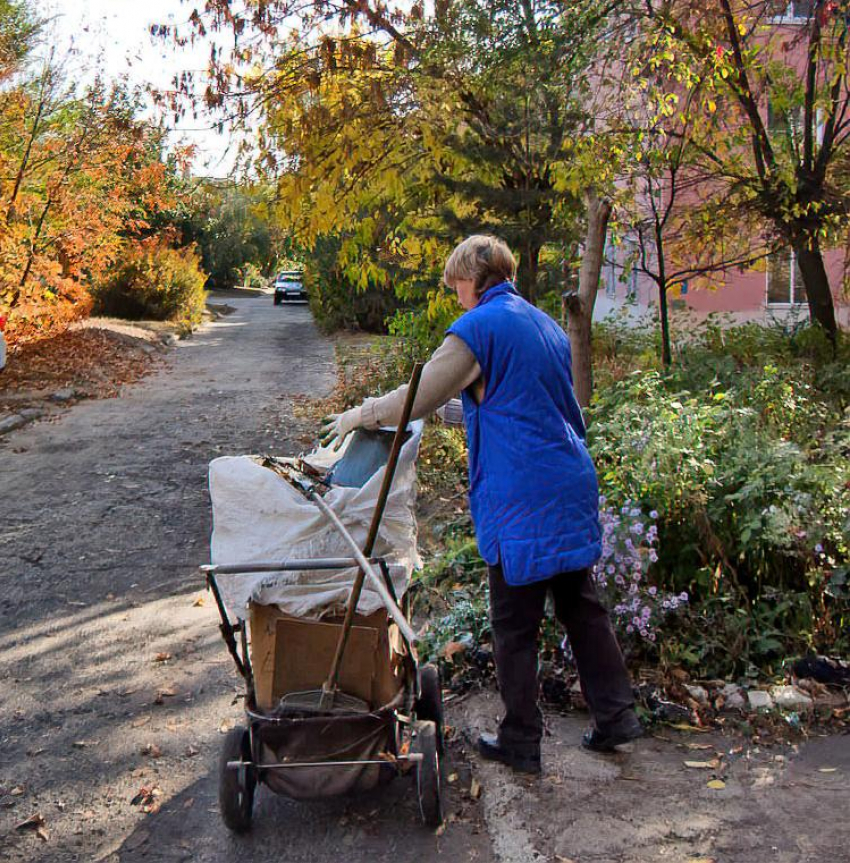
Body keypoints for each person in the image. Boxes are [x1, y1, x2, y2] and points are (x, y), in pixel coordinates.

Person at [321, 235, 642, 774]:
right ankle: (617, 717)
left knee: (513, 623)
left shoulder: (478, 328)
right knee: (581, 607)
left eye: (457, 285)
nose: (455, 296)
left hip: (525, 493)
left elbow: (421, 392)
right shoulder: (543, 324)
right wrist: (447, 416)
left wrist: (365, 413)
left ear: (476, 279)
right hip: (568, 479)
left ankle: (520, 738)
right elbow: (509, 401)